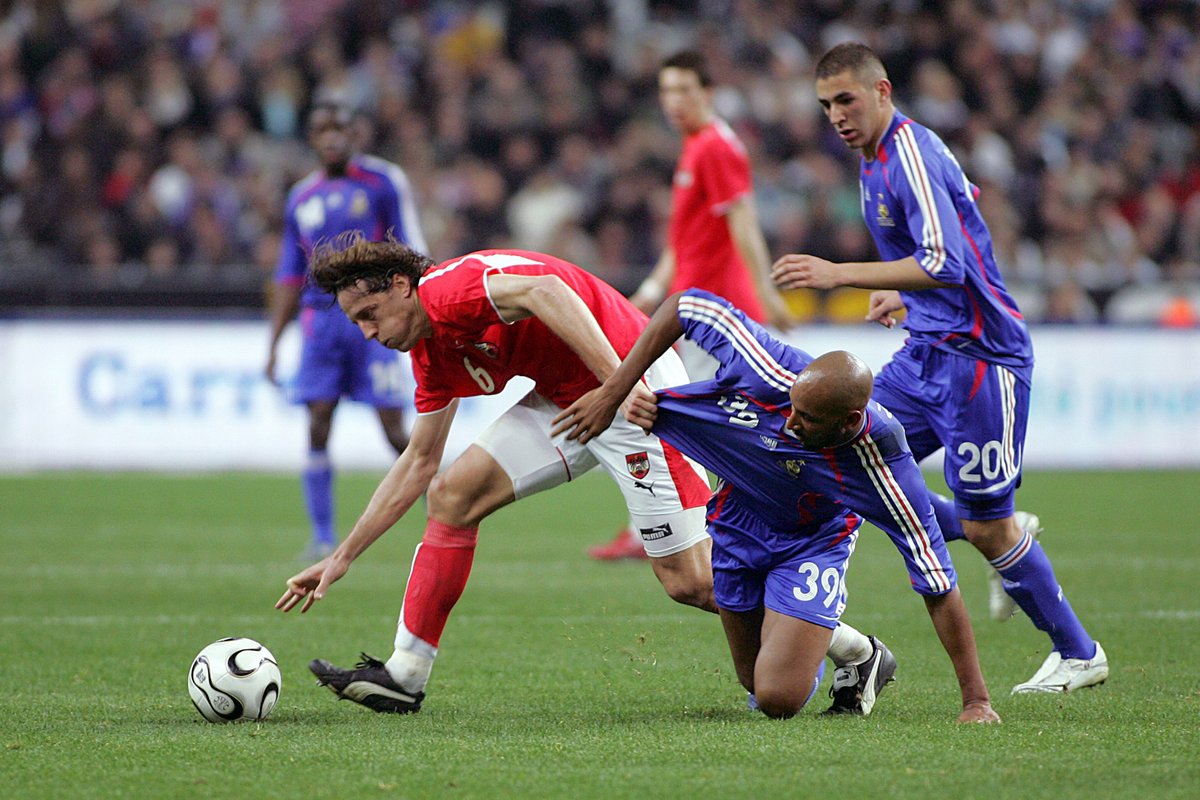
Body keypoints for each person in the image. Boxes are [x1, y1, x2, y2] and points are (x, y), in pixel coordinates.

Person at [274, 235, 895, 718]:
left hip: (634, 390)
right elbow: (418, 461)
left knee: (691, 582)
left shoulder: (449, 291)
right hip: (567, 399)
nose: (369, 333)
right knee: (452, 496)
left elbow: (549, 289)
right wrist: (342, 557)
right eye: (357, 323)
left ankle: (859, 652)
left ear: (402, 286)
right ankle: (405, 675)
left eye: (371, 313)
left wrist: (618, 387)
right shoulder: (429, 351)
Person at [772, 42, 1107, 694]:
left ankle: (1078, 651)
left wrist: (840, 273)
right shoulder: (874, 161)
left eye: (846, 100)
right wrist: (906, 295)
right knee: (852, 464)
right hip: (925, 351)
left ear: (882, 91)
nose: (836, 115)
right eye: (826, 105)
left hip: (981, 361)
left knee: (984, 523)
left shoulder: (910, 153)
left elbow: (946, 261)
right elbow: (962, 231)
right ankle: (1001, 534)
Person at [553, 290, 998, 723]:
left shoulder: (882, 467)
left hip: (812, 541)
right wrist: (615, 391)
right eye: (793, 408)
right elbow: (687, 305)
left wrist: (976, 700)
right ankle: (855, 649)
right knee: (752, 679)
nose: (790, 422)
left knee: (776, 699)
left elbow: (939, 584)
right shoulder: (769, 366)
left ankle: (846, 651)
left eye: (807, 419)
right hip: (737, 521)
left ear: (849, 422)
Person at [590, 49, 794, 561]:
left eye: (683, 89)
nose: (673, 101)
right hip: (690, 311)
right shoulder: (695, 146)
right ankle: (689, 524)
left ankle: (681, 529)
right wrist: (650, 292)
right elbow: (683, 241)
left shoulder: (718, 148)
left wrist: (767, 292)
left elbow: (743, 223)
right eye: (666, 91)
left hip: (716, 312)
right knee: (687, 415)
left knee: (682, 417)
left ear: (707, 92)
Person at [264, 102, 428, 560]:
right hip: (320, 326)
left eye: (340, 128)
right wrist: (274, 343)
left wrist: (418, 308)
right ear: (311, 138)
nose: (332, 136)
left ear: (355, 134)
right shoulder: (301, 196)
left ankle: (442, 513)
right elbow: (289, 273)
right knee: (318, 422)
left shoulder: (382, 181)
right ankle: (321, 535)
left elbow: (411, 245)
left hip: (375, 317)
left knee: (394, 428)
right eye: (322, 129)